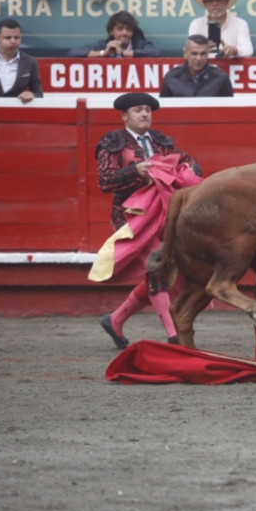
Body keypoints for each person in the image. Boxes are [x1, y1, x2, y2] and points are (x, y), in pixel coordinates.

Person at [94, 92, 202, 348]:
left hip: (162, 212)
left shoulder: (160, 141)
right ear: (124, 116)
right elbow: (104, 181)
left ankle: (115, 319)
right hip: (130, 214)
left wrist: (189, 172)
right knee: (156, 266)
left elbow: (188, 161)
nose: (144, 114)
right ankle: (174, 335)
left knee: (161, 269)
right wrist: (135, 171)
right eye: (137, 110)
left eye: (147, 110)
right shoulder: (112, 142)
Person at [188, 0, 253, 58]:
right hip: (204, 69)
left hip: (230, 69)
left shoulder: (240, 24)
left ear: (226, 1)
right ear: (205, 3)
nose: (215, 4)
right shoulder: (197, 24)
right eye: (210, 0)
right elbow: (187, 51)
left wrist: (233, 50)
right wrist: (204, 48)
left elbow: (248, 50)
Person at [160, 35, 235, 98]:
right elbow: (163, 111)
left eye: (203, 54)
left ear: (208, 53)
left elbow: (229, 111)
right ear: (185, 53)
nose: (199, 58)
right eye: (194, 54)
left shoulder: (221, 78)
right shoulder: (171, 78)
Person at [68, 11, 160, 58]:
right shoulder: (103, 45)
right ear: (111, 31)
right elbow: (72, 54)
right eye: (120, 29)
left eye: (128, 29)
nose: (124, 33)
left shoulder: (140, 44)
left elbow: (156, 53)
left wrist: (124, 53)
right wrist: (103, 53)